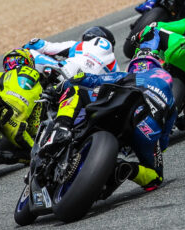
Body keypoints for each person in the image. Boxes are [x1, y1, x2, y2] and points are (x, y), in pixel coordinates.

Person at [41, 48, 175, 192]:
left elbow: (89, 79)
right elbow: (164, 142)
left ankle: (61, 128)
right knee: (155, 178)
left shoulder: (129, 76)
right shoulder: (171, 100)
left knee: (76, 90)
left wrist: (58, 88)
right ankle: (128, 169)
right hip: (148, 127)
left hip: (120, 103)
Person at [23, 25, 117, 78]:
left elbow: (43, 46)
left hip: (66, 74)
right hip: (90, 93)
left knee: (29, 53)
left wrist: (27, 46)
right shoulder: (113, 64)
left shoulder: (79, 45)